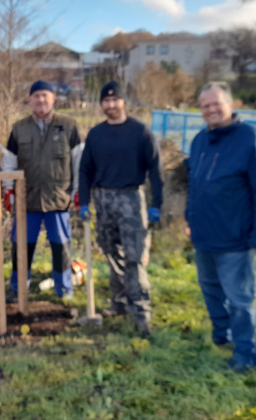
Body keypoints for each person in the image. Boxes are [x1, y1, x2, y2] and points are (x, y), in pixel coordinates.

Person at [185, 81, 256, 372]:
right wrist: (190, 219)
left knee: (239, 297)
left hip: (236, 237)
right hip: (204, 234)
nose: (211, 110)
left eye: (216, 104)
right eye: (205, 106)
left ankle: (247, 353)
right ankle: (221, 336)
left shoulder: (250, 139)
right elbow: (196, 184)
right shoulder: (200, 139)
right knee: (210, 289)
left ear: (231, 104)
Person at [78, 81, 163, 337]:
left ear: (123, 102)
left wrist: (157, 204)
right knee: (111, 253)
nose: (111, 105)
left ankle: (141, 313)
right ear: (102, 104)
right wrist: (84, 201)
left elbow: (156, 170)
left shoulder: (140, 131)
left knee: (134, 258)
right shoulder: (96, 134)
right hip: (103, 200)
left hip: (130, 199)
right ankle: (119, 302)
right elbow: (85, 170)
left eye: (115, 100)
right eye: (106, 101)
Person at [1, 80, 82, 301]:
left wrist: (78, 191)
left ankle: (64, 288)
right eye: (36, 96)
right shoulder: (19, 128)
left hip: (59, 198)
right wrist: (8, 191)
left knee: (61, 246)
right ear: (29, 100)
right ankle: (19, 287)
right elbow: (9, 162)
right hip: (26, 200)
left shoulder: (69, 125)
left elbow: (78, 161)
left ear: (53, 98)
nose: (41, 100)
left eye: (45, 95)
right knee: (21, 246)